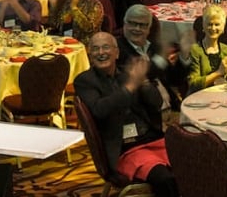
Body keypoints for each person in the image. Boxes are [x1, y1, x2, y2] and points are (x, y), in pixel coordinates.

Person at [74, 32, 179, 197]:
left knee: (193, 164)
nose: (101, 52)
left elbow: (156, 103)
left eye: (106, 47)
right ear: (89, 54)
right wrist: (130, 86)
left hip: (154, 138)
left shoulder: (127, 73)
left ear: (117, 53)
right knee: (164, 178)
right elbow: (100, 109)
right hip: (126, 148)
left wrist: (143, 82)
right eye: (95, 49)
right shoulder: (85, 80)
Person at [175, 4, 227, 97]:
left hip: (222, 97)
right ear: (203, 27)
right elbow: (193, 84)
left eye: (217, 24)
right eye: (209, 24)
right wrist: (218, 73)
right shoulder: (195, 50)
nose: (213, 28)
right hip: (198, 98)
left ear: (223, 28)